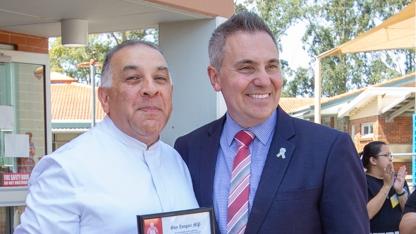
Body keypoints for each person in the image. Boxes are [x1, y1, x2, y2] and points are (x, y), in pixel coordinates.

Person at [174, 11, 369, 234]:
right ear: (215, 77)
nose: (263, 80)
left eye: (272, 66)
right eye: (247, 68)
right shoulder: (189, 149)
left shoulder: (329, 149)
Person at [15, 40, 198, 234]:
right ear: (104, 97)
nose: (150, 89)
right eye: (134, 78)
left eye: (160, 78)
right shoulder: (67, 169)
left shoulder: (175, 160)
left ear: (171, 94)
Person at [361, 141, 408, 233]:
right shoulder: (362, 181)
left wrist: (400, 191)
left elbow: (408, 212)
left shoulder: (398, 180)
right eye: (386, 155)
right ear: (373, 160)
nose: (390, 159)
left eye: (391, 155)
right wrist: (386, 186)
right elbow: (366, 214)